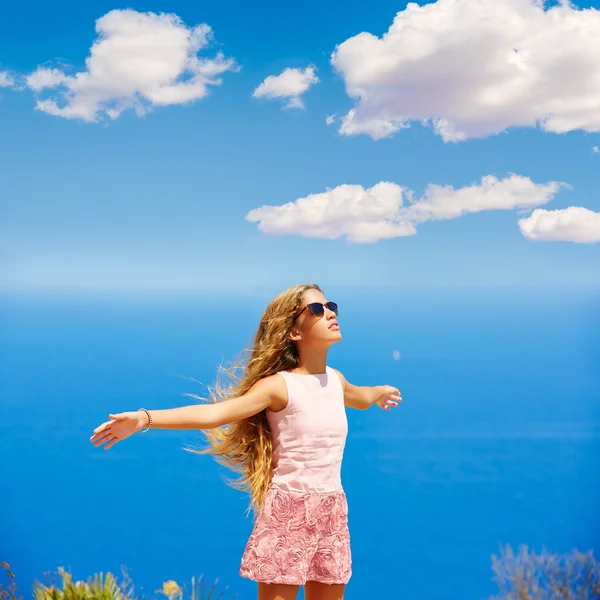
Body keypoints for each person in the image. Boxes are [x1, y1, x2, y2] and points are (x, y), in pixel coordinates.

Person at [90, 283, 402, 600]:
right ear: (294, 331)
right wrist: (145, 418)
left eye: (331, 305)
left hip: (332, 509)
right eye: (317, 309)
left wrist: (380, 392)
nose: (330, 312)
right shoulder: (279, 387)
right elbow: (216, 414)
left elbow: (360, 397)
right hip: (289, 510)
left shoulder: (335, 380)